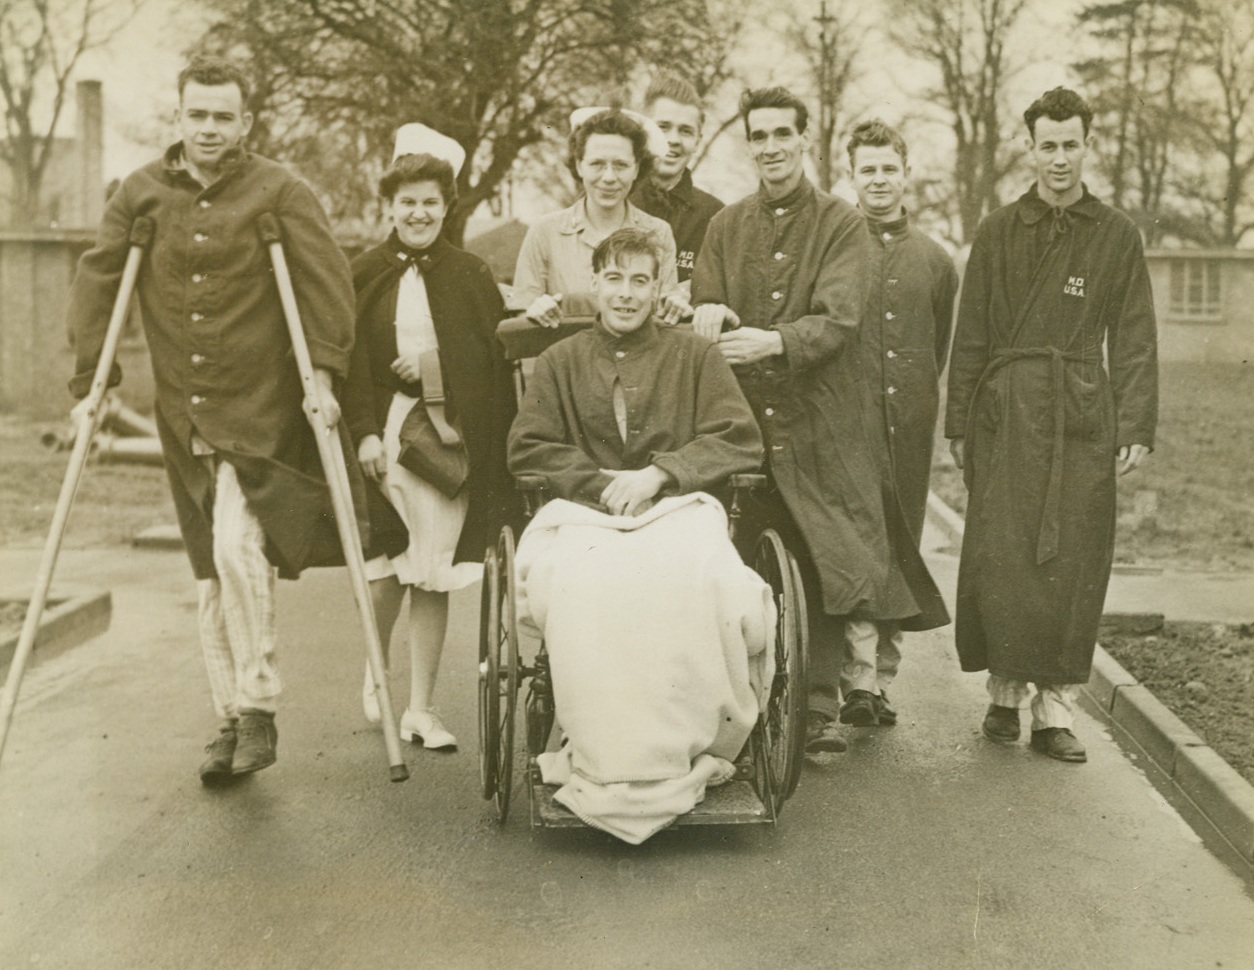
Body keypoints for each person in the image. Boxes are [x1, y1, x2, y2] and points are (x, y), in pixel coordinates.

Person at [65, 57, 369, 784]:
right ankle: (228, 718)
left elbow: (327, 284)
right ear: (179, 116)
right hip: (182, 409)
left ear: (245, 124)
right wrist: (92, 383)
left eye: (222, 117)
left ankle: (258, 705)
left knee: (237, 547)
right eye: (196, 114)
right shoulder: (139, 193)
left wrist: (322, 373)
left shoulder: (280, 190)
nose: (208, 129)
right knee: (209, 571)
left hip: (260, 406)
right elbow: (99, 282)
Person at [690, 87, 948, 755]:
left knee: (823, 562)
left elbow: (839, 318)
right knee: (732, 563)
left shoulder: (841, 223)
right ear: (747, 143)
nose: (771, 146)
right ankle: (737, 712)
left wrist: (775, 342)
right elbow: (708, 296)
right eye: (759, 135)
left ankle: (816, 710)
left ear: (804, 140)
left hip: (821, 422)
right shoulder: (726, 225)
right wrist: (712, 312)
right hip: (742, 422)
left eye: (783, 133)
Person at [507, 227, 770, 842]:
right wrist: (597, 483)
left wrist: (661, 473)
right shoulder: (560, 361)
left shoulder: (695, 357)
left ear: (659, 289)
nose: (626, 294)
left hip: (677, 506)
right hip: (583, 512)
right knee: (582, 581)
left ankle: (684, 749)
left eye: (640, 280)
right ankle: (603, 755)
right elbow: (529, 445)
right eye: (615, 279)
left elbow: (737, 435)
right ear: (594, 284)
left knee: (698, 579)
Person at [945, 87, 1158, 763]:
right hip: (1006, 415)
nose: (1059, 158)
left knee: (1073, 558)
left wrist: (1136, 424)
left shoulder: (1116, 234)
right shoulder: (998, 231)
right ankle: (1005, 699)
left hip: (1082, 416)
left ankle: (1056, 711)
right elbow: (971, 332)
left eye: (1071, 144)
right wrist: (959, 421)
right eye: (1048, 145)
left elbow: (1133, 336)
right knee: (1004, 555)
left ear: (1087, 146)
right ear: (1029, 148)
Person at [344, 126, 519, 750]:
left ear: (447, 207)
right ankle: (376, 667)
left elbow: (495, 359)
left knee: (433, 571)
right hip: (389, 436)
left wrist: (435, 367)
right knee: (391, 562)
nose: (418, 213)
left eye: (430, 202)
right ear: (390, 206)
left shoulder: (470, 272)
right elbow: (350, 363)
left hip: (447, 441)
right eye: (407, 202)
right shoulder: (363, 270)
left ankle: (420, 707)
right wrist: (363, 434)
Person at [839, 120, 957, 728]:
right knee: (858, 543)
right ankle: (856, 678)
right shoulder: (834, 247)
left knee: (900, 544)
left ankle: (883, 680)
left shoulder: (935, 260)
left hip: (909, 424)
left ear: (905, 173)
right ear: (850, 176)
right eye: (868, 170)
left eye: (889, 168)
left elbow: (936, 347)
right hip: (847, 421)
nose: (879, 180)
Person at [511, 107, 686, 327]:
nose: (609, 177)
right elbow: (520, 323)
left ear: (636, 169)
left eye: (621, 165)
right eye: (597, 164)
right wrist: (533, 312)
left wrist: (675, 306)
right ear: (579, 165)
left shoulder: (659, 233)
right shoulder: (544, 231)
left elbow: (664, 320)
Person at [630, 73, 724, 289]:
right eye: (663, 127)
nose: (673, 140)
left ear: (698, 141)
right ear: (643, 132)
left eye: (685, 131)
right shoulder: (613, 200)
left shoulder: (716, 217)